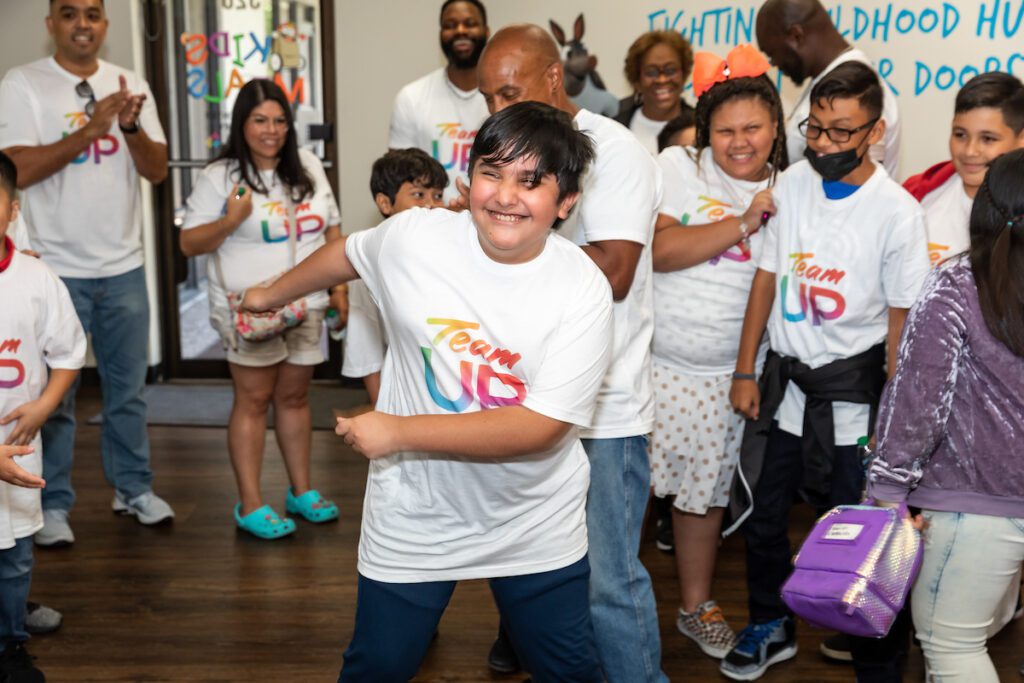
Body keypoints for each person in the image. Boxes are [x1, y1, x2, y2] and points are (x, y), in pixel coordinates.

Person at [243, 101, 612, 683]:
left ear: (565, 201)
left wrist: (396, 431)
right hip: (417, 513)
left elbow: (539, 426)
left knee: (569, 671)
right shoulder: (416, 236)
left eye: (531, 180)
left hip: (532, 520)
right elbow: (349, 253)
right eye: (493, 171)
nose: (506, 195)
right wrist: (272, 292)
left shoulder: (582, 289)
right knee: (376, 668)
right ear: (468, 179)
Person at [723, 62, 930, 681]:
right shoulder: (789, 185)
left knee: (861, 542)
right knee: (763, 518)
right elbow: (767, 277)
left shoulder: (898, 212)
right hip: (786, 388)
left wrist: (895, 425)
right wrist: (744, 369)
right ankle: (770, 622)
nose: (824, 145)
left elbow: (901, 326)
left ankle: (876, 659)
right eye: (815, 129)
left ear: (876, 131)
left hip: (853, 400)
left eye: (842, 133)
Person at [478, 25, 666, 683]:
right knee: (539, 568)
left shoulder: (612, 151)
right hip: (530, 402)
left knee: (607, 579)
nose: (497, 110)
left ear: (554, 78)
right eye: (487, 97)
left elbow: (613, 269)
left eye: (510, 91)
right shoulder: (512, 155)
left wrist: (505, 241)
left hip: (604, 411)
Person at [0, 0, 172, 547]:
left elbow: (158, 169)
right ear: (51, 24)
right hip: (52, 268)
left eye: (93, 14)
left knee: (128, 392)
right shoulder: (23, 83)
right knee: (56, 401)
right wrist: (93, 127)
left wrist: (127, 127)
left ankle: (134, 490)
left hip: (123, 264)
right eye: (69, 13)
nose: (83, 24)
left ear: (105, 24)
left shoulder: (130, 80)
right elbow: (17, 169)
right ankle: (51, 502)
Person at [650, 44, 786, 661]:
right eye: (726, 129)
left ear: (775, 128)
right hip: (649, 365)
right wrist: (741, 222)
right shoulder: (680, 166)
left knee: (699, 499)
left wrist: (743, 369)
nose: (739, 141)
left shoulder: (791, 191)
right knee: (625, 494)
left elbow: (769, 285)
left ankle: (694, 605)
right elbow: (660, 251)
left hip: (719, 379)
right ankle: (594, 601)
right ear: (706, 131)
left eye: (753, 127)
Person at [868, 148, 1024, 683]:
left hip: (972, 503)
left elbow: (918, 400)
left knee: (953, 646)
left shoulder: (957, 284)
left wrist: (885, 492)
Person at [180, 79, 343, 539]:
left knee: (294, 398)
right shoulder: (221, 176)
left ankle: (302, 491)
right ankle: (250, 504)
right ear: (241, 124)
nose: (271, 130)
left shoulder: (308, 165)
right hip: (251, 310)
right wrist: (229, 221)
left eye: (279, 120)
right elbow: (189, 243)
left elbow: (332, 228)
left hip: (307, 302)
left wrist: (339, 293)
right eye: (259, 120)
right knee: (252, 401)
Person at [0, 150, 87, 682]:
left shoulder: (36, 278)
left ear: (12, 210)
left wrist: (47, 404)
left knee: (15, 555)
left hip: (20, 445)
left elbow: (68, 353)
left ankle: (10, 642)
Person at [344, 148, 448, 405]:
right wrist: (383, 412)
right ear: (385, 203)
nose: (431, 204)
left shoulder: (451, 251)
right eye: (418, 194)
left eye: (437, 195)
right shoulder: (368, 263)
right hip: (405, 390)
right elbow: (365, 349)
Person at [756, 0, 900, 176]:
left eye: (772, 53)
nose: (774, 63)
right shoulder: (824, 79)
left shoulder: (860, 90)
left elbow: (856, 180)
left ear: (796, 36)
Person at [903, 72, 1024, 265]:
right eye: (960, 135)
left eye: (988, 139)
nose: (970, 151)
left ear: (1021, 139)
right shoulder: (916, 194)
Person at [388, 0, 490, 203]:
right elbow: (397, 180)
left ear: (487, 31)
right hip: (429, 223)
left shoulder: (506, 98)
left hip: (495, 223)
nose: (460, 31)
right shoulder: (411, 97)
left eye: (470, 23)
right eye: (450, 25)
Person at [615, 31, 695, 156]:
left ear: (684, 74)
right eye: (651, 72)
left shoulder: (700, 128)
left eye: (670, 70)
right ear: (637, 79)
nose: (662, 79)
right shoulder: (616, 128)